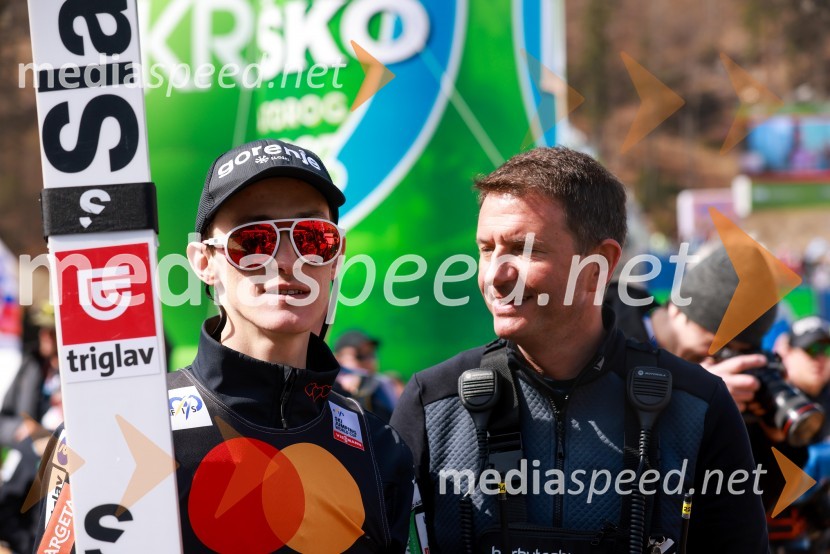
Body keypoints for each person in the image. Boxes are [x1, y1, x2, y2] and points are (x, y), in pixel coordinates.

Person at [34, 139, 414, 553]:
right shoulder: (110, 431)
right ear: (204, 262)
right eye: (253, 241)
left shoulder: (381, 449)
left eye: (312, 238)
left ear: (336, 256)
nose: (287, 259)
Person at [391, 147, 768, 553]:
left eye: (523, 248)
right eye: (486, 249)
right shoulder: (432, 402)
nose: (494, 276)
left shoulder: (699, 406)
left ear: (598, 266)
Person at [606, 246, 810, 512]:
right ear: (680, 309)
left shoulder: (730, 380)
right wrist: (693, 396)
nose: (719, 358)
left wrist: (773, 437)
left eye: (738, 351)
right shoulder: (603, 326)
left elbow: (752, 506)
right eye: (718, 344)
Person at [334, 330, 399, 422]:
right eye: (360, 356)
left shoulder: (385, 386)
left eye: (371, 354)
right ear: (337, 358)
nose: (369, 361)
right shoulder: (328, 387)